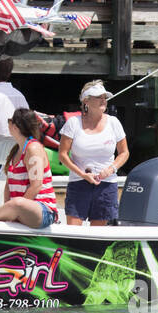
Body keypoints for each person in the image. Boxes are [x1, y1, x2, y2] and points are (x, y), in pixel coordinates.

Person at [58, 81, 128, 226]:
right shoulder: (73, 123)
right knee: (73, 235)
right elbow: (63, 155)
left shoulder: (114, 122)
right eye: (98, 97)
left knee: (99, 237)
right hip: (78, 183)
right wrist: (83, 175)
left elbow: (124, 153)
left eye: (104, 97)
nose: (103, 100)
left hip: (106, 185)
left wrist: (111, 169)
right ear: (86, 101)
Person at [0, 108, 58, 229]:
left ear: (15, 127)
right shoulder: (16, 150)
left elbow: (36, 185)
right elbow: (8, 186)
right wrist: (10, 209)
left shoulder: (33, 149)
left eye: (9, 120)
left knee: (17, 203)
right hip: (22, 209)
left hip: (44, 211)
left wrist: (15, 210)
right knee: (16, 203)